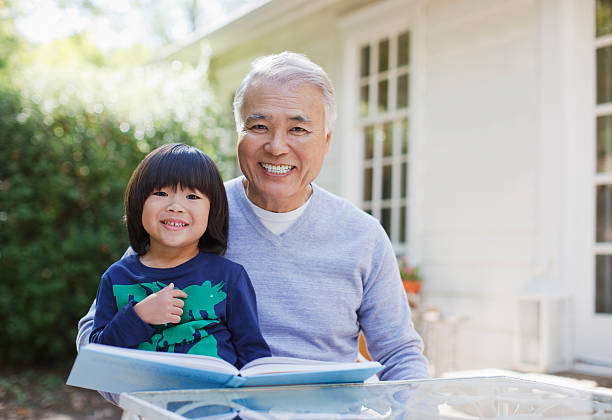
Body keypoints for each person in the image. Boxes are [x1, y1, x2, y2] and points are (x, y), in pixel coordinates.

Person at [78, 51, 429, 386]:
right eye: (259, 126)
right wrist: (150, 400)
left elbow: (400, 356)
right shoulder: (190, 216)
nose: (276, 146)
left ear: (326, 139)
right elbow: (95, 342)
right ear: (239, 134)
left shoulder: (362, 237)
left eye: (298, 129)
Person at [89, 143, 270, 368]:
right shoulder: (117, 278)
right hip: (145, 400)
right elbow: (95, 358)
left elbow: (253, 354)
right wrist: (138, 316)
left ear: (212, 211)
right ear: (139, 204)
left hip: (217, 400)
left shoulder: (229, 277)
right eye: (161, 193)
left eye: (192, 197)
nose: (176, 206)